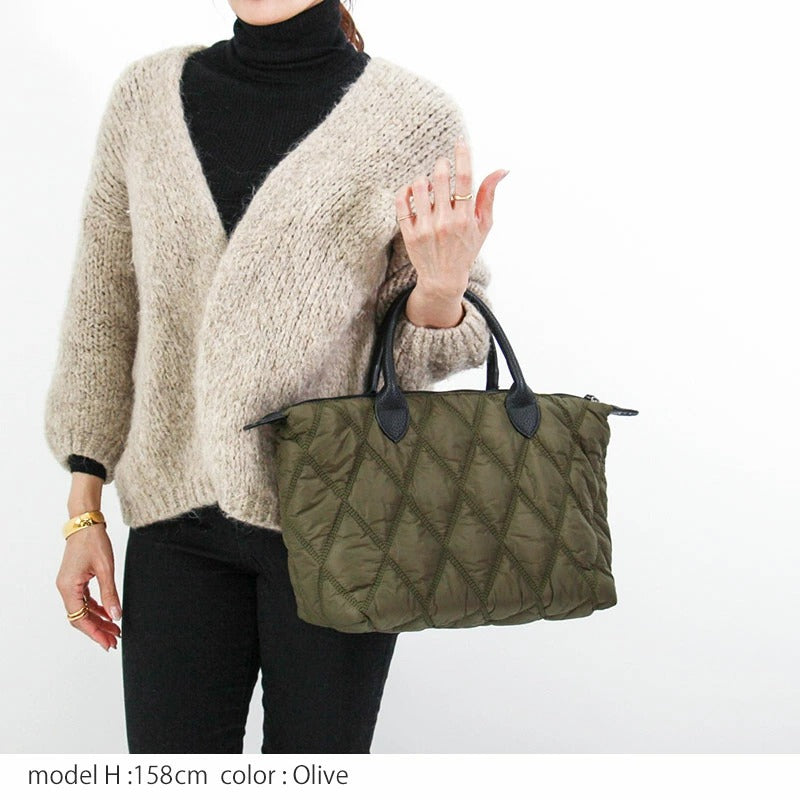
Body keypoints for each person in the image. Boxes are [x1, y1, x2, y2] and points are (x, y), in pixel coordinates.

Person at [44, 0, 507, 754]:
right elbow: (103, 305)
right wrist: (83, 510)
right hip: (175, 524)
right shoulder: (145, 98)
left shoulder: (412, 119)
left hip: (343, 523)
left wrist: (442, 288)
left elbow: (429, 352)